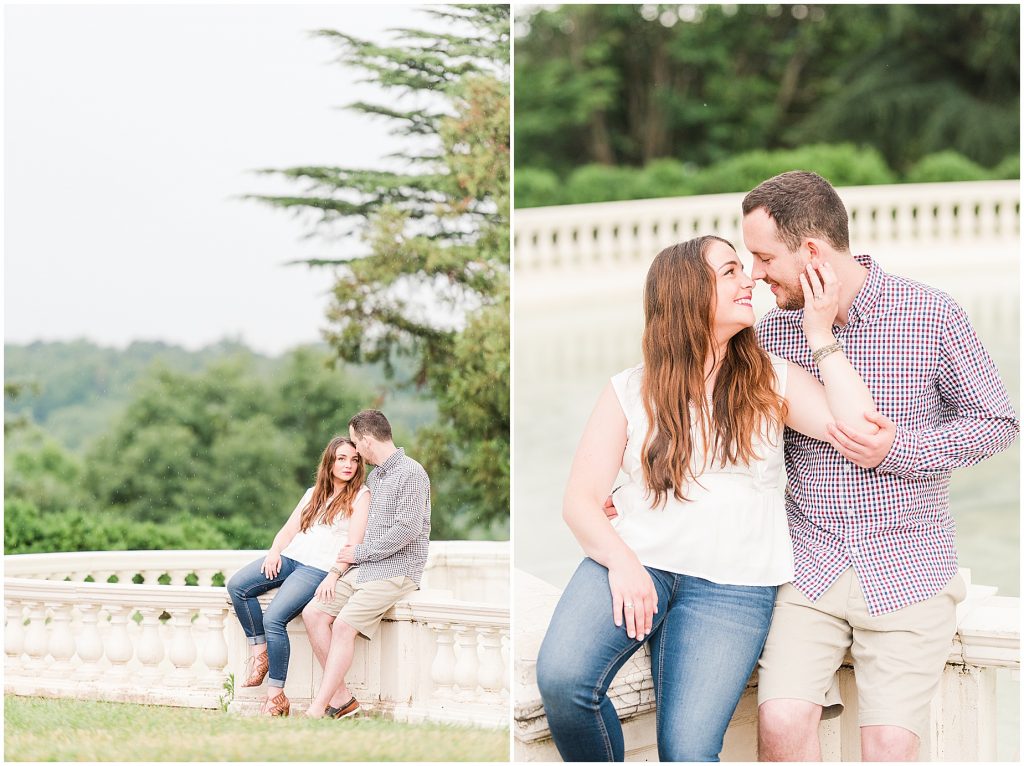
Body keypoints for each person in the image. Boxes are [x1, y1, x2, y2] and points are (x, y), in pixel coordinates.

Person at [536, 234, 882, 762]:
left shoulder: (772, 379)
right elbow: (580, 501)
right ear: (686, 293)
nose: (749, 281)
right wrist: (624, 565)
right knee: (564, 682)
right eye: (729, 272)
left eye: (745, 270)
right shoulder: (630, 388)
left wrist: (819, 333)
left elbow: (862, 432)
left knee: (689, 752)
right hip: (636, 563)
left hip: (733, 588)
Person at [743, 171, 1018, 761]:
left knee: (888, 747)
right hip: (808, 569)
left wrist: (902, 452)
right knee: (781, 727)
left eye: (765, 258)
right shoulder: (771, 332)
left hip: (908, 567)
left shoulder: (931, 314)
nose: (756, 274)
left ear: (811, 252)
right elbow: (733, 439)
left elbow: (998, 424)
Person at [226, 435, 370, 717]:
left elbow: (353, 545)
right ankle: (260, 653)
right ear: (329, 462)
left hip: (316, 568)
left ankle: (276, 696)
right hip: (290, 557)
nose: (348, 465)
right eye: (341, 458)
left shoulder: (361, 495)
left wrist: (333, 575)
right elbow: (289, 529)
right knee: (238, 586)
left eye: (354, 460)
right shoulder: (312, 492)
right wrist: (273, 551)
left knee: (274, 618)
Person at [301, 409, 431, 719]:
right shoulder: (376, 476)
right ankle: (342, 699)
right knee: (314, 612)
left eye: (356, 445)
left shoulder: (411, 473)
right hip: (367, 568)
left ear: (367, 441)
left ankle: (318, 708)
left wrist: (360, 554)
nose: (355, 452)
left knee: (344, 626)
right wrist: (340, 568)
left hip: (399, 570)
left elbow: (407, 530)